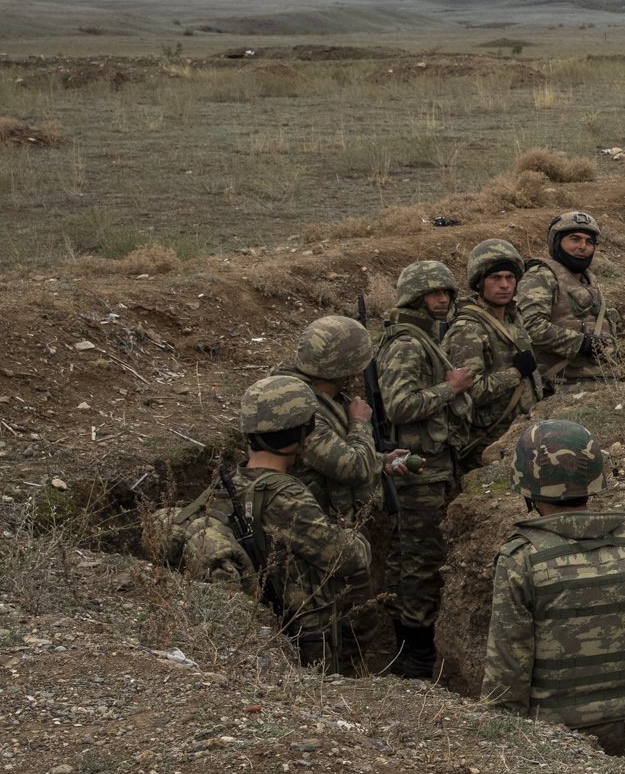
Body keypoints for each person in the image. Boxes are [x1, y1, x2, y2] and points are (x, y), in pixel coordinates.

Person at [154, 375, 373, 670]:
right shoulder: (286, 496)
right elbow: (350, 558)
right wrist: (349, 531)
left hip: (260, 629)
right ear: (303, 436)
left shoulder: (227, 483)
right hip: (302, 634)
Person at [483, 420, 625, 757]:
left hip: (547, 741)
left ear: (526, 482)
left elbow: (507, 671)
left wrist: (498, 743)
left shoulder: (521, 559)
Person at [373, 258, 472, 677]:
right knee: (420, 561)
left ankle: (406, 650)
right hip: (416, 473)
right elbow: (400, 405)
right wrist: (449, 389)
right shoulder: (407, 343)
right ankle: (415, 655)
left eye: (447, 292)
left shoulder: (423, 337)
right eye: (434, 293)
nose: (443, 299)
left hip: (427, 467)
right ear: (415, 297)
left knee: (408, 558)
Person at [289, 314, 410, 524]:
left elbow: (335, 454)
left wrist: (381, 461)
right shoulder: (301, 409)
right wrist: (360, 423)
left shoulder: (322, 397)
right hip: (315, 529)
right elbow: (353, 468)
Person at [443, 237, 541, 469]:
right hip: (488, 444)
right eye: (495, 278)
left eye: (510, 278)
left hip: (520, 434)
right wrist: (515, 373)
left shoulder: (513, 317)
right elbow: (470, 391)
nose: (505, 285)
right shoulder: (468, 329)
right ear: (479, 283)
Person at [518, 210, 619, 385]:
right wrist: (581, 342)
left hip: (604, 377)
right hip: (562, 384)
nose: (583, 246)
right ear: (556, 242)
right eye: (575, 239)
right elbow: (530, 327)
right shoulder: (541, 276)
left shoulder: (588, 279)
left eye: (589, 242)